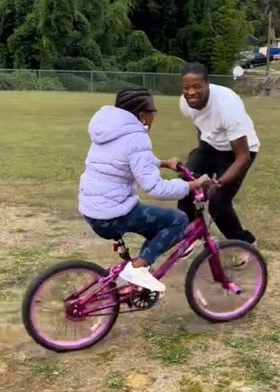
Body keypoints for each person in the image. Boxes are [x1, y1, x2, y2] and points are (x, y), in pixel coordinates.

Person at [78, 87, 211, 293]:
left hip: (92, 208)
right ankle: (138, 268)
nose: (153, 117)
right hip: (112, 214)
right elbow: (155, 188)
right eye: (153, 112)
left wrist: (164, 163)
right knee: (178, 220)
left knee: (156, 228)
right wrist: (192, 185)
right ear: (142, 114)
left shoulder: (108, 129)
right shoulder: (137, 137)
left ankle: (135, 275)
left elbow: (125, 159)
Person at [177, 62, 259, 261]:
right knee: (185, 185)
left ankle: (244, 243)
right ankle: (192, 236)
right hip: (209, 146)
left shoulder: (227, 106)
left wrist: (218, 183)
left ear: (207, 84)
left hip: (237, 152)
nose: (191, 92)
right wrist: (200, 154)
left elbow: (243, 157)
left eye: (197, 86)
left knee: (217, 201)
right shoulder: (185, 103)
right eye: (186, 88)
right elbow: (201, 125)